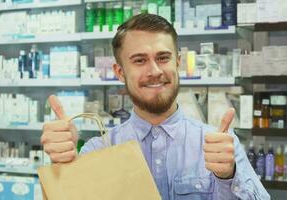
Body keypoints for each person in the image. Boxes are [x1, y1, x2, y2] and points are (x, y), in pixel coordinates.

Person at [41, 13, 270, 200]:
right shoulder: (97, 149)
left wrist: (228, 176)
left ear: (177, 62)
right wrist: (62, 169)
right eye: (139, 60)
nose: (155, 71)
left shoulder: (219, 143)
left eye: (163, 57)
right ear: (119, 72)